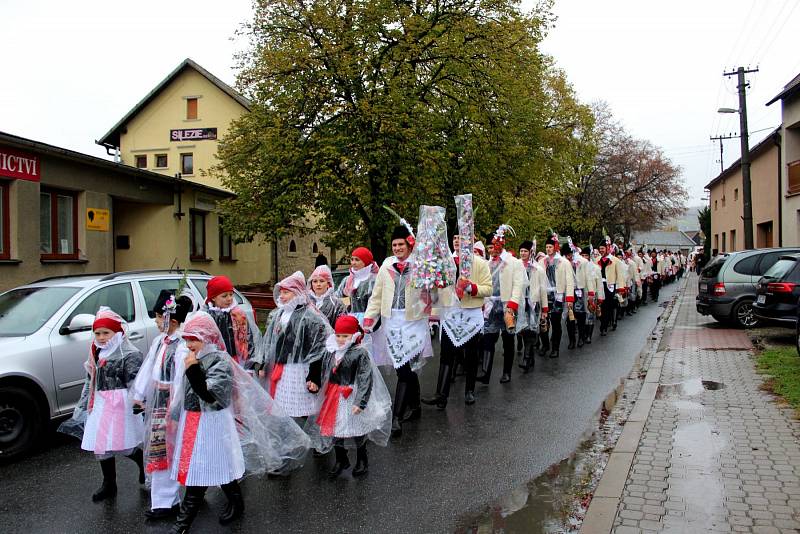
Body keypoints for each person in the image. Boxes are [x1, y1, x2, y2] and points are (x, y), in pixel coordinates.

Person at [169, 312, 310, 533]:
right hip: (193, 420)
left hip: (211, 422)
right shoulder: (191, 358)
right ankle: (235, 501)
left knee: (208, 465)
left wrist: (193, 369)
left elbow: (212, 397)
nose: (189, 344)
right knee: (207, 465)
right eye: (186, 338)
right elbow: (185, 392)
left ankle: (183, 523)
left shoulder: (218, 360)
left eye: (194, 338)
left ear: (206, 337)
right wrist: (177, 415)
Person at [58, 307, 145, 502]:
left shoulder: (129, 354)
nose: (102, 337)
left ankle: (140, 460)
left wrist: (139, 403)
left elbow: (136, 381)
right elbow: (90, 379)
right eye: (97, 333)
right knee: (102, 445)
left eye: (106, 333)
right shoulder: (97, 352)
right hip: (101, 403)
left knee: (122, 443)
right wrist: (83, 404)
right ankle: (109, 483)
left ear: (118, 333)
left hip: (121, 404)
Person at [363, 224, 433, 437]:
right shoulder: (386, 267)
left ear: (409, 245)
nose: (397, 248)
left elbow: (432, 294)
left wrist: (430, 303)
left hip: (414, 321)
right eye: (394, 245)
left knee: (404, 368)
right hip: (392, 322)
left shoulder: (422, 265)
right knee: (406, 368)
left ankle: (397, 417)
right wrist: (369, 317)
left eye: (401, 244)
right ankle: (416, 406)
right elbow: (377, 295)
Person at [305, 315, 392, 477]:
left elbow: (365, 377)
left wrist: (361, 401)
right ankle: (341, 458)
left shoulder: (360, 353)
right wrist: (314, 380)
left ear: (354, 335)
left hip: (352, 394)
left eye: (345, 336)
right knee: (335, 426)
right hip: (333, 394)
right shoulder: (331, 349)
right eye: (338, 335)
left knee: (356, 427)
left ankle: (362, 458)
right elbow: (321, 366)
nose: (340, 339)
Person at [133, 291, 193, 519]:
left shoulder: (182, 347)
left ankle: (168, 501)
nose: (156, 322)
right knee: (160, 450)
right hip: (157, 400)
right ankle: (165, 501)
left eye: (159, 317)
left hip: (169, 404)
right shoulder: (161, 341)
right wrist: (139, 393)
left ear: (172, 321)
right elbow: (149, 367)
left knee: (168, 449)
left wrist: (175, 409)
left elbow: (180, 379)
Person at [422, 233, 492, 407]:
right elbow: (438, 289)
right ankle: (441, 395)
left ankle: (469, 391)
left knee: (471, 355)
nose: (457, 242)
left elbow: (488, 288)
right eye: (454, 239)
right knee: (446, 354)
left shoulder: (480, 263)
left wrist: (471, 287)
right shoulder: (444, 263)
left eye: (461, 238)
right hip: (450, 313)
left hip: (470, 314)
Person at [256, 271, 330, 418]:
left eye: (286, 292)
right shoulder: (279, 314)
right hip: (281, 368)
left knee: (302, 407)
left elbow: (318, 348)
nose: (281, 296)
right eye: (281, 292)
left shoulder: (310, 316)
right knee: (283, 409)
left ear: (297, 293)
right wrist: (263, 363)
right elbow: (269, 341)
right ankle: (290, 435)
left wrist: (314, 376)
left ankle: (303, 436)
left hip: (300, 369)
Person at [478, 224, 525, 383]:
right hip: (491, 304)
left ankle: (507, 372)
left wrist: (512, 305)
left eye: (492, 247)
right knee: (488, 338)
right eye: (488, 247)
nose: (490, 250)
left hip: (507, 305)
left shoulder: (513, 262)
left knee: (507, 339)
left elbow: (518, 284)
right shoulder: (486, 263)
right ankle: (485, 372)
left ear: (500, 245)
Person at [204, 275, 260, 368]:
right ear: (213, 297)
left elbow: (249, 339)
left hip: (237, 360)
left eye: (231, 294)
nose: (229, 298)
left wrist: (252, 361)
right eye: (224, 296)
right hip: (216, 362)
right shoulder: (207, 316)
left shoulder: (238, 314)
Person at [538, 235, 574, 358]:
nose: (548, 249)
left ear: (555, 247)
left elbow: (569, 281)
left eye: (550, 247)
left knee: (556, 322)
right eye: (546, 247)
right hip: (545, 294)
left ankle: (555, 348)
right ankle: (545, 344)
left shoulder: (564, 262)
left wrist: (569, 298)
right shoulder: (542, 261)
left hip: (558, 295)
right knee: (543, 321)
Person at [517, 240, 548, 371]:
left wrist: (545, 308)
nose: (523, 253)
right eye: (521, 251)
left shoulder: (538, 269)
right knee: (524, 330)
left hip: (534, 303)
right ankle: (530, 359)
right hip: (521, 302)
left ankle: (526, 358)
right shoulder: (517, 266)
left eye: (525, 251)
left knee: (532, 329)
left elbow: (543, 289)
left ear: (531, 253)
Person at [336, 247, 379, 325]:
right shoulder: (347, 280)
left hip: (369, 322)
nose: (353, 263)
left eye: (357, 260)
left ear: (365, 261)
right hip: (348, 322)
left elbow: (376, 303)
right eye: (352, 259)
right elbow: (337, 299)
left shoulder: (373, 280)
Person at [597, 240, 624, 336]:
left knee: (607, 307)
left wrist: (621, 288)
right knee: (600, 307)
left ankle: (604, 327)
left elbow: (620, 275)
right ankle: (603, 322)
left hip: (610, 287)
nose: (601, 251)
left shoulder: (615, 260)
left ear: (608, 249)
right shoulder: (597, 260)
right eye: (599, 249)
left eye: (602, 248)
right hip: (600, 286)